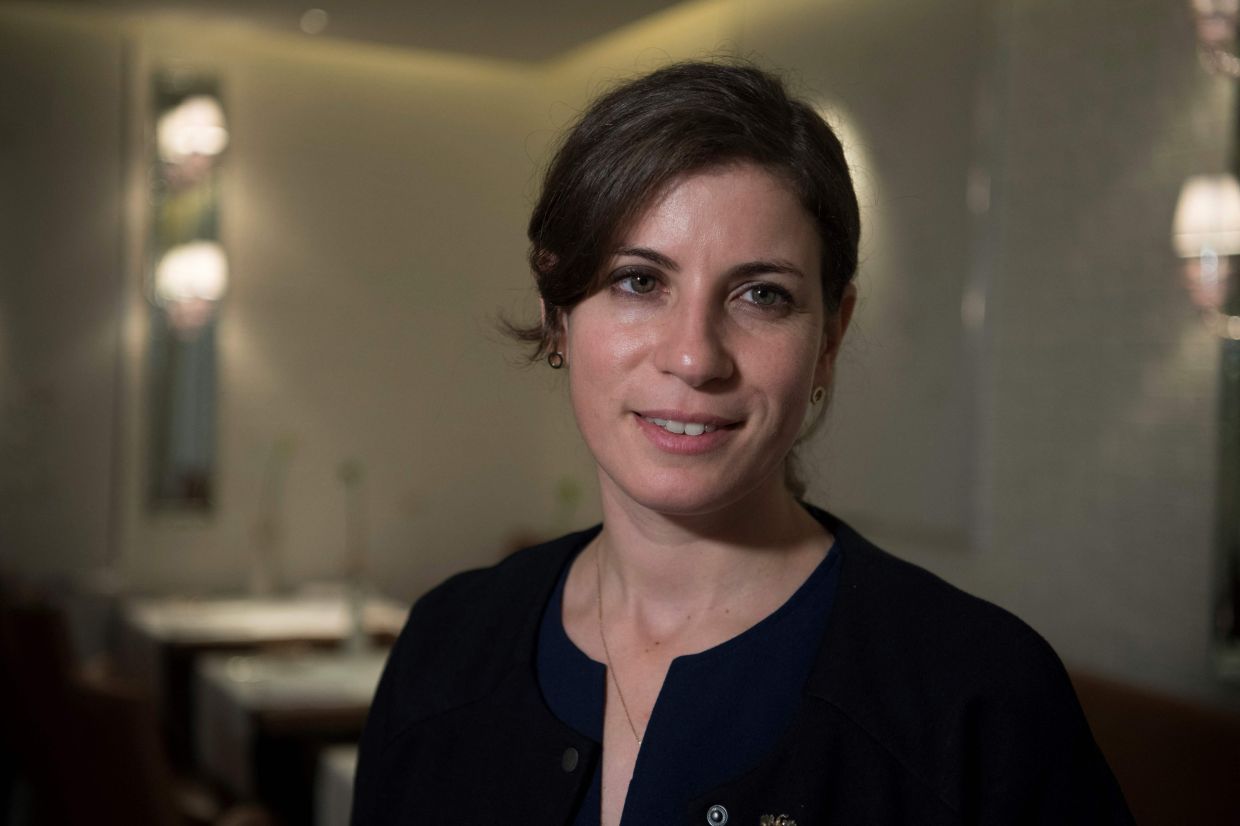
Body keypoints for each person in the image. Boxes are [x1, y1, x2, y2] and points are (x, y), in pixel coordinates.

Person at [351, 61, 1134, 825]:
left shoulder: (982, 699)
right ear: (559, 316)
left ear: (830, 337)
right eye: (639, 281)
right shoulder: (445, 647)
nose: (695, 357)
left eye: (762, 295)